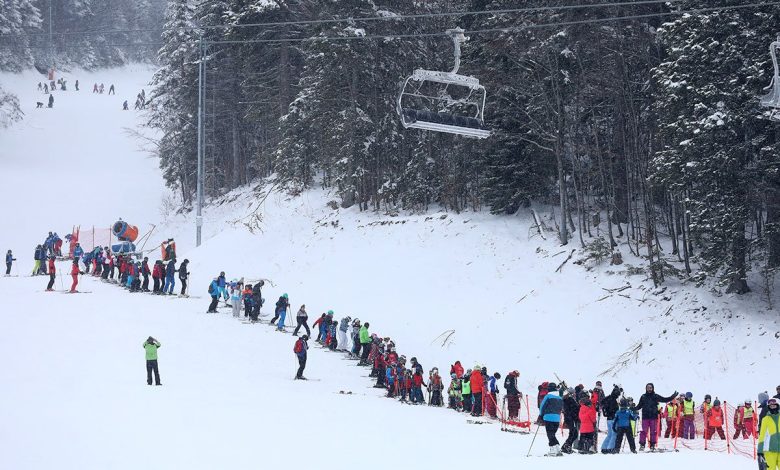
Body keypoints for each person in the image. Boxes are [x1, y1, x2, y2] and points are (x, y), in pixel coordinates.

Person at [631, 383, 678, 451]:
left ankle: (652, 445)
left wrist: (672, 397)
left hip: (653, 417)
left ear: (653, 388)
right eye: (648, 388)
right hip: (645, 417)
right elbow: (639, 406)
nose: (649, 389)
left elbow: (665, 399)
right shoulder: (643, 396)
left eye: (650, 388)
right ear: (646, 388)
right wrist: (633, 408)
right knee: (644, 431)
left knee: (653, 432)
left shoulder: (655, 396)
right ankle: (642, 445)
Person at [539, 382, 564, 456]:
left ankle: (553, 449)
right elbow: (561, 407)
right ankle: (557, 448)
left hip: (548, 417)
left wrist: (541, 415)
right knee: (552, 434)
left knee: (550, 434)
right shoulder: (560, 397)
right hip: (557, 418)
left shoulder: (548, 396)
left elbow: (542, 406)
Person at [758, 398, 780, 470]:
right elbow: (762, 435)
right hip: (769, 450)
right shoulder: (765, 419)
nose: (773, 407)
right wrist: (760, 451)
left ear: (778, 406)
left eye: (774, 406)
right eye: (771, 406)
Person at [600, 384, 623, 453]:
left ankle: (604, 447)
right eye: (618, 394)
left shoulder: (608, 398)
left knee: (610, 434)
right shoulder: (613, 400)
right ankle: (610, 448)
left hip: (608, 419)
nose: (618, 396)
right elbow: (613, 410)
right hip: (613, 419)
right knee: (614, 434)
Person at [561, 388, 580, 454]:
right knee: (573, 433)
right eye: (574, 393)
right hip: (570, 418)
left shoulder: (569, 399)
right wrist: (577, 408)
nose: (575, 394)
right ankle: (566, 446)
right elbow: (572, 409)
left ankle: (567, 446)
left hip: (570, 418)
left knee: (573, 433)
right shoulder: (569, 399)